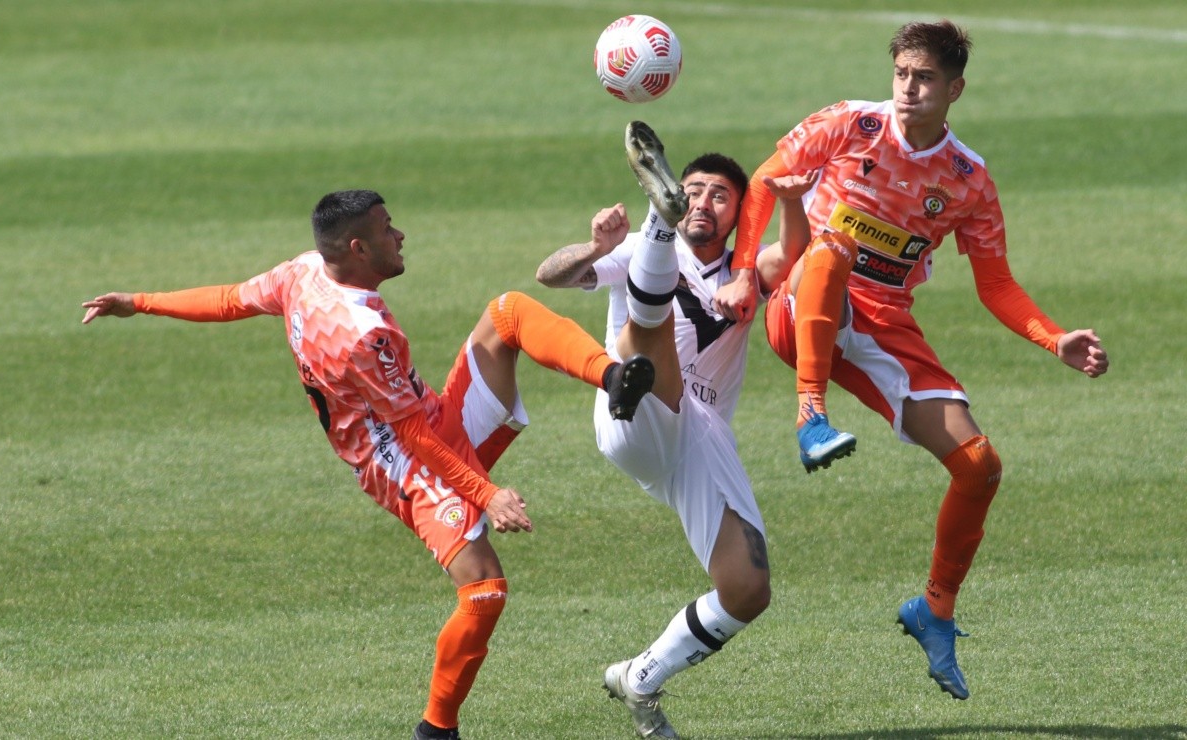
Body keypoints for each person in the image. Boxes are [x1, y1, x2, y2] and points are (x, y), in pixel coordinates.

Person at [81, 189, 655, 740]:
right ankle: (435, 730)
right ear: (357, 248)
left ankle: (613, 378)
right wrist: (486, 494)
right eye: (386, 229)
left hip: (428, 419)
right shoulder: (361, 336)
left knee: (508, 313)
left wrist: (139, 301)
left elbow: (231, 298)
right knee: (483, 592)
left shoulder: (302, 272)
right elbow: (414, 441)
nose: (399, 234)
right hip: (402, 465)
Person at [716, 20, 1110, 700]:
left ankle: (935, 610)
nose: (908, 88)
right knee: (833, 246)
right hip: (800, 309)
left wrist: (1054, 339)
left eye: (924, 78)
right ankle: (811, 415)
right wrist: (745, 272)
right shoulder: (847, 125)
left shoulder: (968, 181)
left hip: (882, 325)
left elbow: (996, 284)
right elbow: (764, 181)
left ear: (954, 88)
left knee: (980, 466)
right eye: (901, 74)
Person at [536, 122, 815, 739]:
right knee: (651, 342)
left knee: (747, 589)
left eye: (720, 195)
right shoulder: (633, 248)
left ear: (741, 214)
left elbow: (790, 257)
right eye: (691, 190)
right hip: (629, 409)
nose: (705, 202)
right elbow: (548, 275)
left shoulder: (747, 271)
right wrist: (591, 247)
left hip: (698, 438)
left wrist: (791, 203)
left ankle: (640, 677)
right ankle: (652, 227)